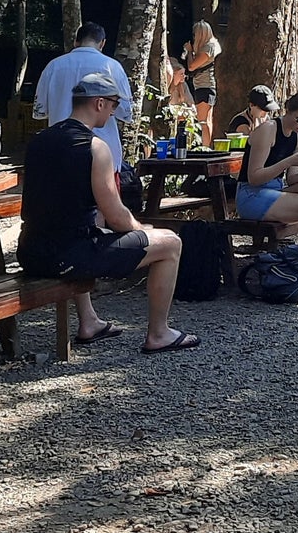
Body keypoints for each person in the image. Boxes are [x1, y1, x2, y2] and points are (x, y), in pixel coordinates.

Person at [16, 72, 196, 353]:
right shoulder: (96, 148)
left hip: (30, 252)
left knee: (86, 230)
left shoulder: (39, 141)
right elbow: (117, 217)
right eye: (113, 104)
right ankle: (159, 333)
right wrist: (142, 229)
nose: (113, 112)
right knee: (171, 243)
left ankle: (89, 322)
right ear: (99, 103)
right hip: (66, 257)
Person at [235, 92, 298, 269]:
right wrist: (287, 162)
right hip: (252, 195)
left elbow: (292, 179)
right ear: (287, 112)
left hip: (276, 190)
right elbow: (254, 177)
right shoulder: (268, 130)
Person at [33, 21, 133, 168]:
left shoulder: (53, 66)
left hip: (60, 148)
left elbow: (40, 111)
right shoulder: (112, 67)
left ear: (76, 41)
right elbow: (126, 113)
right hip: (103, 150)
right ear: (102, 43)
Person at [182, 20, 221, 147]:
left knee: (203, 121)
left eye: (195, 34)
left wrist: (189, 51)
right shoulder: (213, 45)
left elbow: (192, 66)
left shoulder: (207, 48)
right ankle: (206, 146)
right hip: (206, 86)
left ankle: (205, 147)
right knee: (207, 120)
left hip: (204, 86)